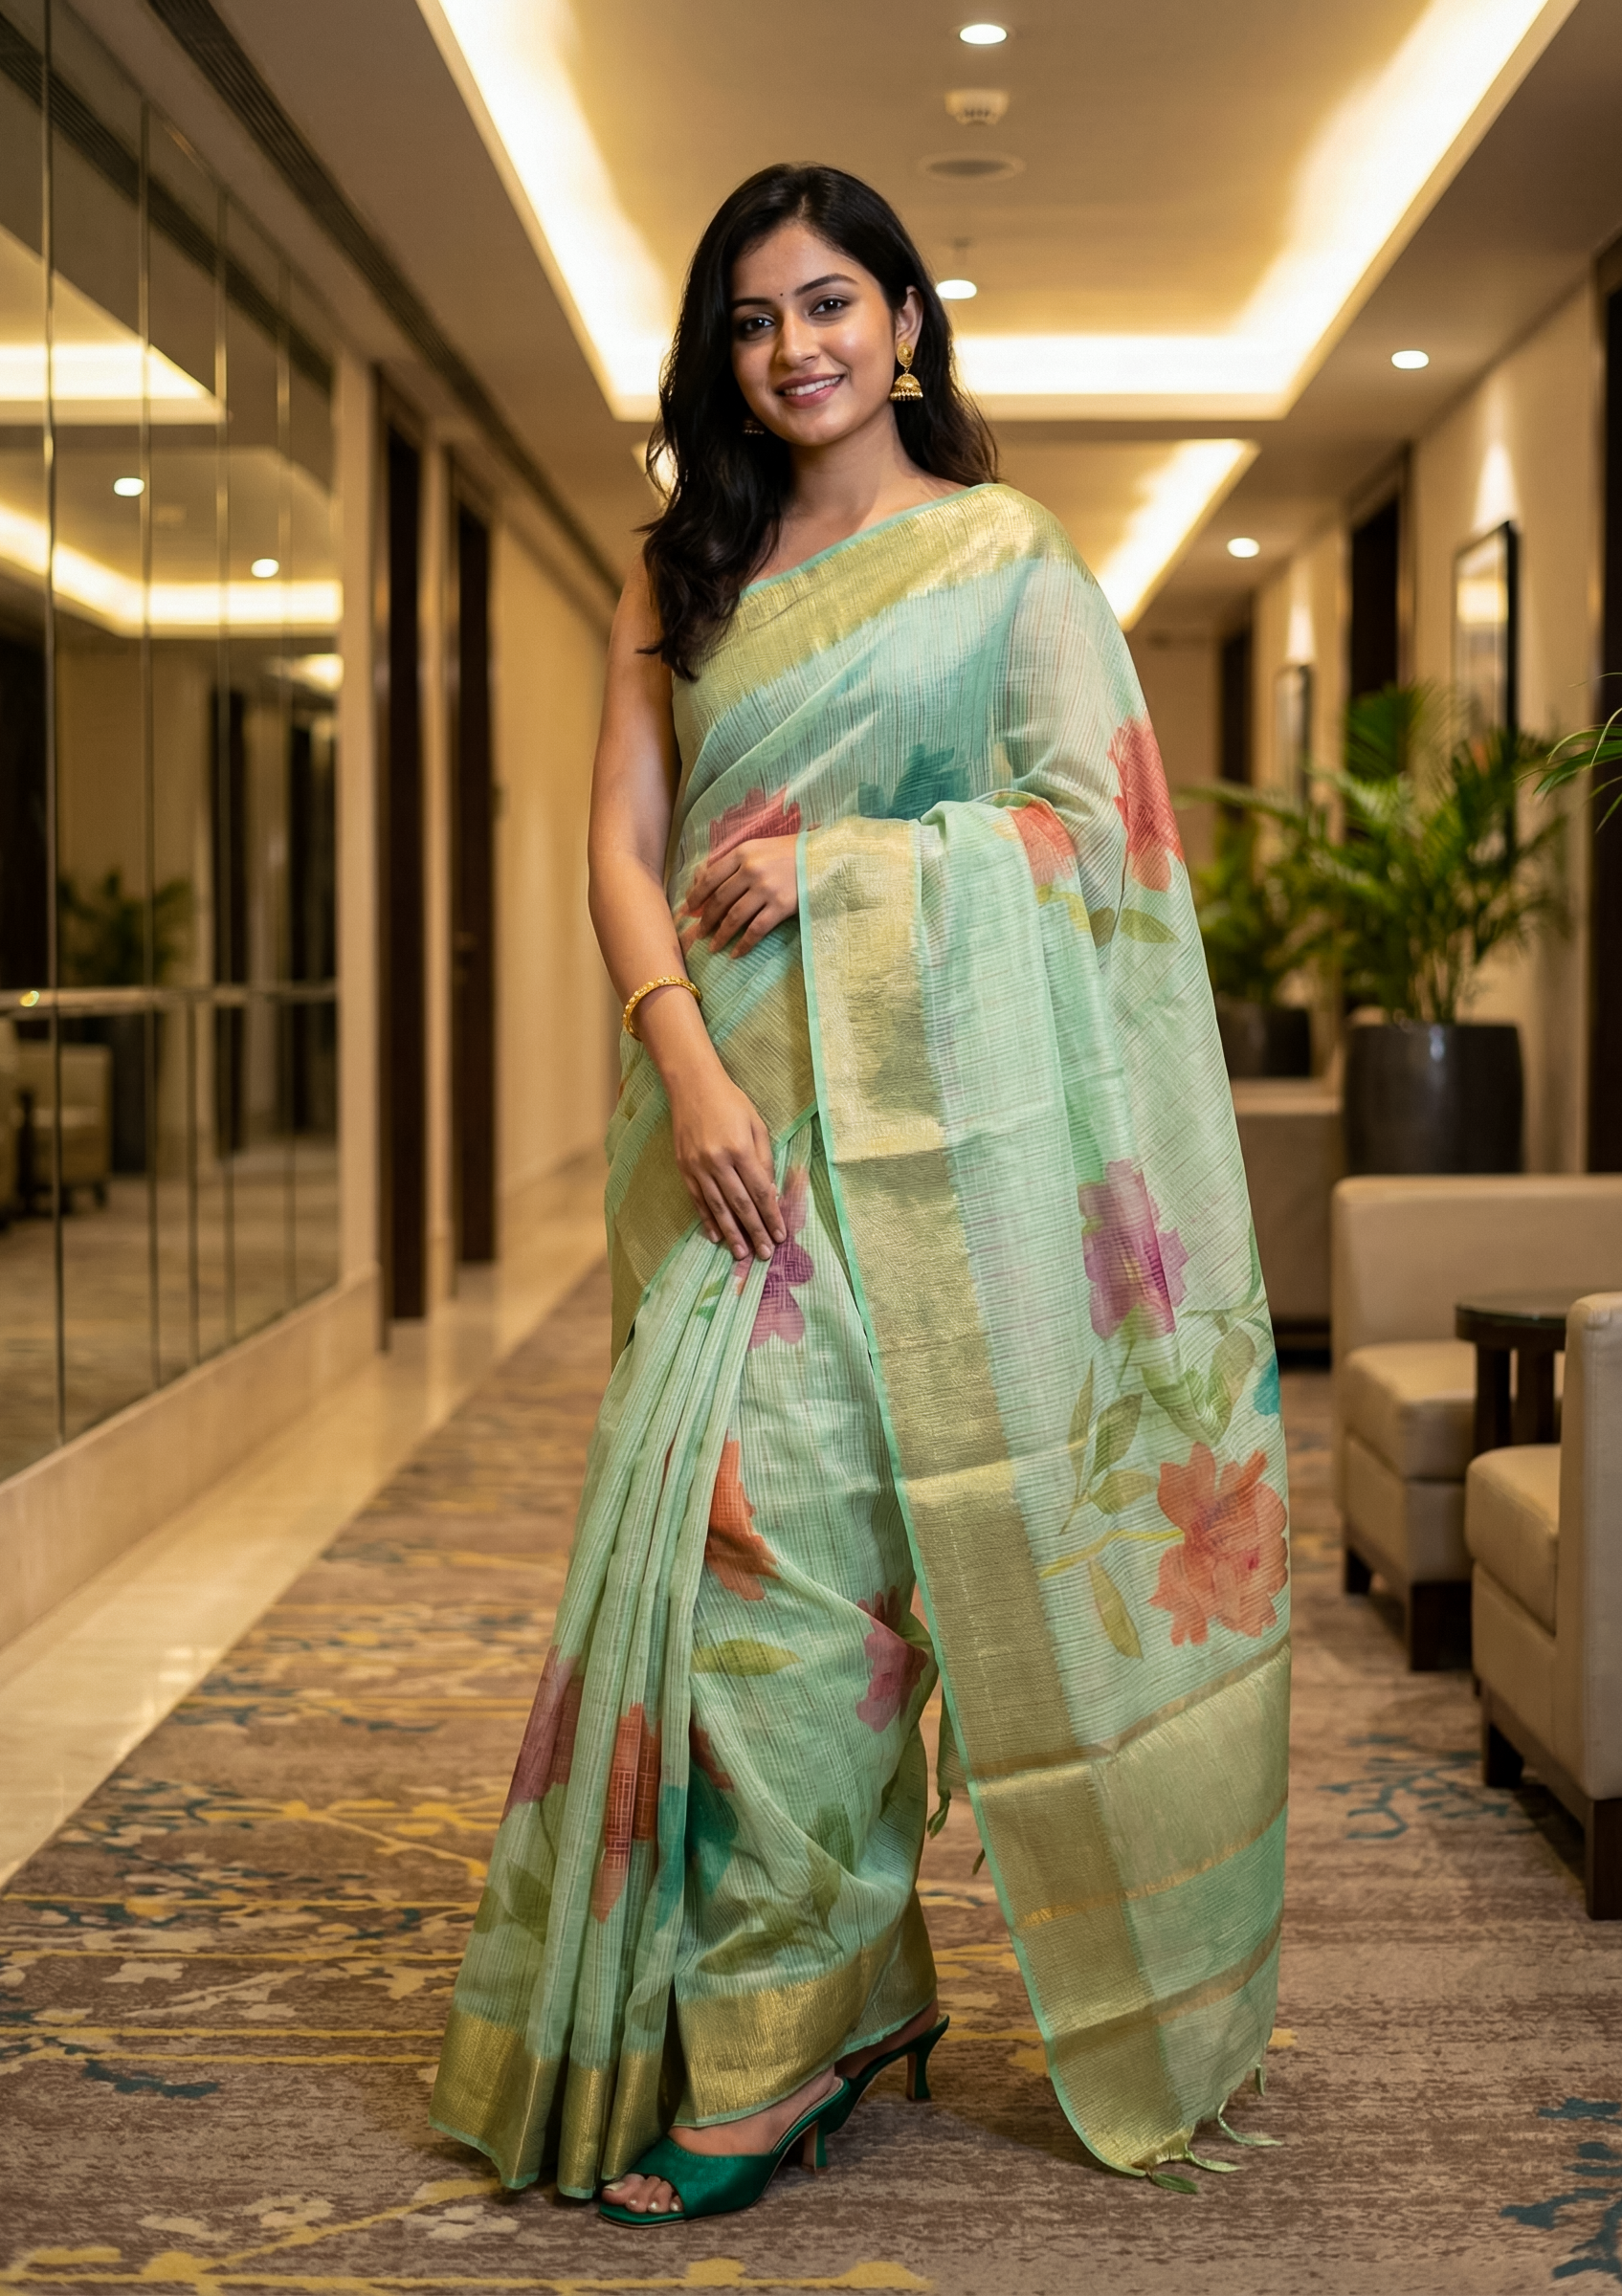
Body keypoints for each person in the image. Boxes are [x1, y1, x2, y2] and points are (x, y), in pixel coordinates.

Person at [431, 163, 1290, 2226]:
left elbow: (1100, 840)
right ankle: (828, 1996)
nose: (794, 346)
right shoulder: (682, 575)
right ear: (721, 358)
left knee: (820, 1570)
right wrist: (684, 1059)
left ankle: (770, 2039)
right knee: (739, 1553)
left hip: (929, 1141)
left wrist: (850, 866)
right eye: (751, 318)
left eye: (829, 302)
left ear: (905, 321)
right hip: (713, 1133)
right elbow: (618, 849)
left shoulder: (1002, 562)